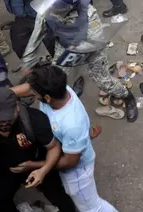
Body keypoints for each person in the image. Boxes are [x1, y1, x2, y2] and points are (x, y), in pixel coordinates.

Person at [16, 0, 137, 123]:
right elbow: (36, 37)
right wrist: (28, 63)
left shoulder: (88, 12)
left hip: (91, 49)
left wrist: (76, 49)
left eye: (56, 8)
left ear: (67, 7)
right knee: (54, 79)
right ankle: (71, 90)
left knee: (104, 82)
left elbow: (96, 40)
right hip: (64, 46)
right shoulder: (48, 9)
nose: (52, 11)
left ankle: (127, 96)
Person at [0, 87, 76, 211]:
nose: (3, 123)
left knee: (59, 198)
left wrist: (43, 170)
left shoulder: (35, 120)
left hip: (36, 164)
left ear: (17, 107)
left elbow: (53, 147)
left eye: (8, 118)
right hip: (6, 168)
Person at [25, 65, 118, 212]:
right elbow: (28, 88)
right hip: (65, 150)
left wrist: (34, 166)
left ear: (47, 98)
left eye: (35, 93)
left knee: (92, 207)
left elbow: (70, 162)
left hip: (77, 172)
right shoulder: (60, 89)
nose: (33, 95)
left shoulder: (71, 124)